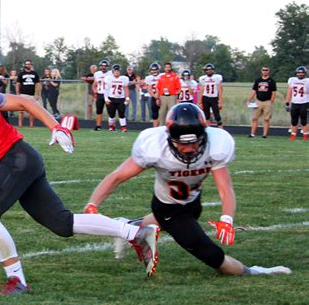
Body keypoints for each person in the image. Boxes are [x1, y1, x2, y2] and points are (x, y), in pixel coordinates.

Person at [0, 60, 159, 295]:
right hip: (14, 163)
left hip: (17, 157)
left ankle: (16, 280)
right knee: (61, 224)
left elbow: (25, 101)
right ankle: (135, 232)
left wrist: (56, 127)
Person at [84, 102, 292, 277]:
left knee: (183, 215)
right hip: (168, 207)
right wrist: (93, 204)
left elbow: (225, 187)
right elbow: (118, 176)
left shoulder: (217, 144)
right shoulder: (154, 147)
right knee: (210, 254)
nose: (190, 149)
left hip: (192, 199)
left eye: (195, 143)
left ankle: (127, 228)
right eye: (183, 144)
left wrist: (227, 219)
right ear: (170, 138)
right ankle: (253, 271)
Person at [246, 66, 277, 138]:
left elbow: (274, 92)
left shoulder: (271, 81)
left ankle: (264, 135)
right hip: (258, 101)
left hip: (267, 102)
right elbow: (254, 91)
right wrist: (249, 100)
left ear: (268, 71)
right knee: (254, 118)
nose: (265, 71)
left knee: (266, 119)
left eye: (266, 70)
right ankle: (252, 134)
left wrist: (271, 102)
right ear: (261, 71)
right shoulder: (258, 80)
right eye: (263, 70)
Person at [285, 66, 309, 141]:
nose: (300, 74)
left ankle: (305, 136)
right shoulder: (292, 80)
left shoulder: (307, 81)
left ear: (305, 73)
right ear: (296, 73)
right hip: (295, 102)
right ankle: (293, 135)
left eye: (302, 73)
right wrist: (287, 103)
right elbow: (289, 92)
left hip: (305, 102)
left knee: (304, 120)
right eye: (299, 73)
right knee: (294, 120)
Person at [104, 64, 130, 132]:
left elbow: (126, 88)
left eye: (118, 71)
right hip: (111, 98)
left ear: (120, 71)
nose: (116, 72)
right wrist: (106, 98)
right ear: (113, 71)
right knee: (111, 114)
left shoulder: (124, 78)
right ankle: (111, 126)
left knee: (121, 113)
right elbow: (106, 89)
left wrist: (127, 98)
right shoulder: (109, 78)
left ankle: (123, 127)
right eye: (115, 71)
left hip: (121, 98)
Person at [16, 59, 41, 128]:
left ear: (31, 65)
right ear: (25, 65)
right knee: (21, 110)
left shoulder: (35, 73)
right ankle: (20, 125)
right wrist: (17, 94)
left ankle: (31, 125)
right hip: (22, 94)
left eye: (29, 64)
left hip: (31, 95)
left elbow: (38, 84)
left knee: (31, 110)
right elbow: (18, 84)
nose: (27, 65)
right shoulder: (21, 74)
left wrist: (38, 94)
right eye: (26, 64)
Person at [199, 63, 224, 128]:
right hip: (205, 98)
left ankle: (221, 131)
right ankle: (207, 131)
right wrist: (200, 101)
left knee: (217, 116)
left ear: (213, 70)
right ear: (205, 71)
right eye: (207, 70)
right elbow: (202, 90)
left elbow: (220, 89)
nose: (209, 71)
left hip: (214, 98)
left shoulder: (217, 77)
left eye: (210, 70)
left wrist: (220, 100)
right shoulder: (202, 78)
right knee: (206, 116)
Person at [92, 60, 112, 131]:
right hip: (100, 94)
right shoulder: (97, 74)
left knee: (110, 111)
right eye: (102, 66)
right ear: (100, 66)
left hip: (108, 94)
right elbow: (94, 84)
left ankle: (111, 126)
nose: (103, 67)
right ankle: (98, 126)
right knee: (99, 111)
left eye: (105, 66)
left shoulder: (111, 73)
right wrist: (95, 91)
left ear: (107, 67)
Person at [145, 63, 161, 127]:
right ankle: (155, 128)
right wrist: (155, 97)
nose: (154, 71)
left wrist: (158, 97)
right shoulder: (148, 78)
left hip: (161, 97)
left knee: (162, 113)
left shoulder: (161, 76)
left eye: (156, 70)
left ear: (158, 70)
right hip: (153, 97)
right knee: (154, 114)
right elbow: (149, 89)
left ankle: (161, 127)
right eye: (152, 70)